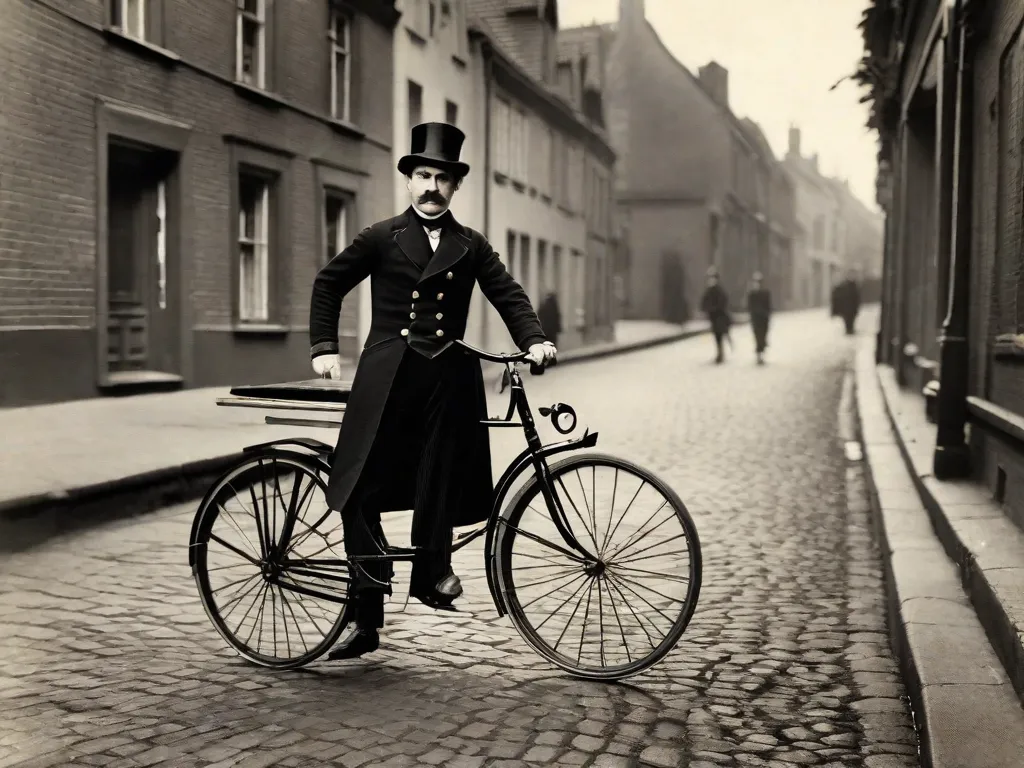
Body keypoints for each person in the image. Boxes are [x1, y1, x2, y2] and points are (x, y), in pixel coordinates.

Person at [308, 122, 557, 660]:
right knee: (357, 487)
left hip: (445, 377)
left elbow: (508, 293)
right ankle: (365, 614)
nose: (431, 187)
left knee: (438, 474)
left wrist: (534, 339)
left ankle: (432, 573)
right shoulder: (381, 236)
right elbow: (329, 281)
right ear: (408, 180)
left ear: (454, 187)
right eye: (423, 175)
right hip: (387, 377)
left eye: (442, 178)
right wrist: (324, 346)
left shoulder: (471, 245)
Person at [700, 268, 731, 364]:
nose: (712, 280)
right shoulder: (709, 291)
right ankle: (719, 353)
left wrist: (715, 308)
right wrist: (706, 309)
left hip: (719, 317)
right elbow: (704, 302)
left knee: (719, 335)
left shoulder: (719, 290)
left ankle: (720, 354)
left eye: (713, 278)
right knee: (716, 335)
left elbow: (723, 302)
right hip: (713, 317)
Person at [746, 272, 772, 365]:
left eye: (758, 282)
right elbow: (749, 306)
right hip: (756, 320)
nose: (757, 284)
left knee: (763, 337)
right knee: (757, 337)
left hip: (764, 319)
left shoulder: (765, 293)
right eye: (755, 282)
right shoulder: (752, 294)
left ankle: (762, 353)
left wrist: (767, 315)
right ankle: (759, 356)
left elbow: (768, 306)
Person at [831, 270, 862, 335]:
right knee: (848, 319)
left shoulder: (854, 285)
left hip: (851, 306)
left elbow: (856, 297)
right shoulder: (846, 285)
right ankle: (849, 330)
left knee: (851, 319)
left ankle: (850, 329)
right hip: (847, 307)